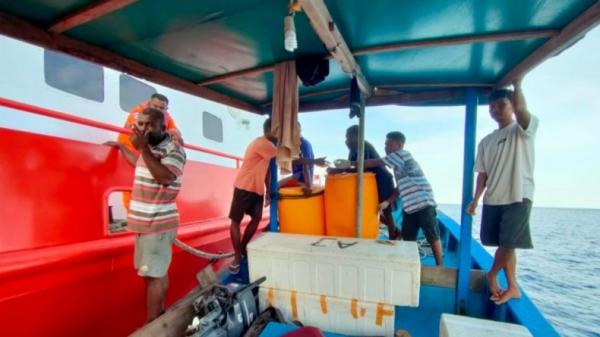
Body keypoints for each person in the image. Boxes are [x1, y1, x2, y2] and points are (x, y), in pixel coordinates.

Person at [105, 108, 186, 323]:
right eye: (140, 124)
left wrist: (144, 150)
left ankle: (152, 326)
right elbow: (141, 164)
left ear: (162, 127)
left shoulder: (173, 150)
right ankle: (160, 319)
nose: (143, 129)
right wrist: (123, 147)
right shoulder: (149, 149)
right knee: (155, 273)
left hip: (158, 224)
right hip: (146, 225)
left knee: (153, 277)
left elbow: (165, 177)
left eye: (149, 124)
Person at [467, 79, 538, 305]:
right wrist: (476, 200)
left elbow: (522, 110)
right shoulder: (486, 141)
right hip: (494, 198)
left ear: (511, 106)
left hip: (519, 195)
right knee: (506, 244)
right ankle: (513, 286)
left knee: (508, 242)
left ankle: (491, 274)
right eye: (492, 107)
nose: (496, 110)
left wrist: (517, 86)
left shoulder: (523, 130)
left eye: (501, 105)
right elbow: (482, 175)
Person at [358, 131, 443, 266]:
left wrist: (352, 163)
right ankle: (410, 264)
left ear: (399, 145)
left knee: (432, 234)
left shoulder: (402, 155)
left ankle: (440, 266)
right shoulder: (398, 166)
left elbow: (377, 162)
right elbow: (399, 187)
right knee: (408, 237)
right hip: (409, 207)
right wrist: (387, 202)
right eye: (385, 144)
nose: (386, 147)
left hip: (424, 202)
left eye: (389, 144)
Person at [329, 125, 400, 240]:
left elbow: (362, 168)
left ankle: (393, 237)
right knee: (372, 208)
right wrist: (339, 169)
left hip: (383, 179)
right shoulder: (352, 149)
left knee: (386, 211)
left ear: (357, 136)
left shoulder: (364, 146)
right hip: (371, 182)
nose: (346, 139)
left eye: (349, 137)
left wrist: (338, 170)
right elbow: (350, 165)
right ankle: (396, 230)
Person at [116, 93, 183, 212]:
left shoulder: (166, 117)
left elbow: (175, 131)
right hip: (132, 149)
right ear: (149, 103)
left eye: (162, 108)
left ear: (166, 109)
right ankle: (131, 213)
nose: (158, 109)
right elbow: (140, 129)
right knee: (132, 187)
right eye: (155, 106)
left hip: (146, 152)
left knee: (144, 186)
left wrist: (175, 133)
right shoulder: (139, 113)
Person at [229, 118, 278, 274]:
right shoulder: (262, 143)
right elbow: (287, 156)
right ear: (270, 130)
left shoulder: (268, 149)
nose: (279, 134)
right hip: (243, 186)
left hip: (256, 189)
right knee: (235, 221)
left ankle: (243, 247)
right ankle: (237, 255)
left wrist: (268, 191)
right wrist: (311, 161)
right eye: (278, 130)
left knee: (256, 219)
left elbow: (268, 171)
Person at [279, 124, 327, 194]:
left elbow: (306, 165)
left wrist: (308, 187)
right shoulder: (296, 146)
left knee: (275, 187)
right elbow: (295, 161)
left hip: (301, 180)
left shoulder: (304, 145)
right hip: (298, 177)